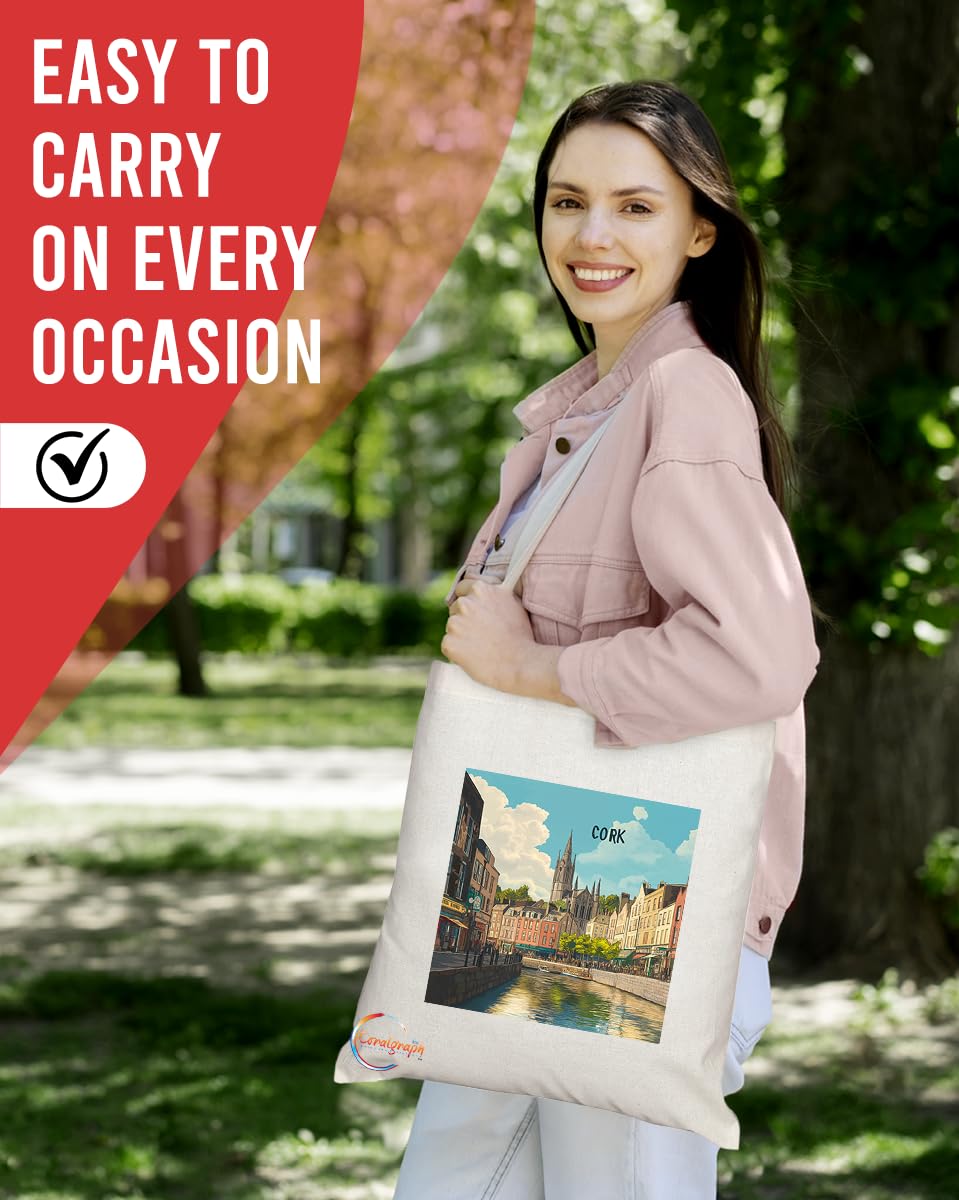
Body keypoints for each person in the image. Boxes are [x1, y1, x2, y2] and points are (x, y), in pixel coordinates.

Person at [392, 79, 819, 1200]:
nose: (590, 236)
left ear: (698, 230)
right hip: (543, 913)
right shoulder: (586, 414)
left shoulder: (684, 398)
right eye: (566, 201)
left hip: (646, 919)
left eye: (634, 207)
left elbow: (757, 659)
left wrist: (531, 667)